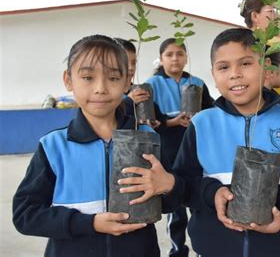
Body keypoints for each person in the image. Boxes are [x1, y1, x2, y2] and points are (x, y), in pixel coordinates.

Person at [133, 28, 280, 256]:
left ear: (266, 67)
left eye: (245, 64)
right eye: (224, 67)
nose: (235, 74)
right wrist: (209, 193)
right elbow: (185, 187)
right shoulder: (202, 125)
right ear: (213, 74)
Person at [12, 35, 173, 256]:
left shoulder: (146, 138)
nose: (100, 88)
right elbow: (25, 215)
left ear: (128, 81)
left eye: (113, 78)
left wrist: (168, 184)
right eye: (87, 77)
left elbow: (174, 199)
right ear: (68, 80)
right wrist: (90, 223)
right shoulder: (54, 147)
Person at [146, 38, 214, 257]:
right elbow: (151, 117)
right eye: (169, 54)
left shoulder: (197, 83)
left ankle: (204, 247)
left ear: (186, 57)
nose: (175, 58)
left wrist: (197, 118)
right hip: (169, 150)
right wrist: (171, 122)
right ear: (161, 58)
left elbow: (210, 111)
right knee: (175, 206)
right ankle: (177, 251)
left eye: (179, 54)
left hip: (196, 149)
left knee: (198, 199)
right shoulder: (151, 85)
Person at [114, 38, 167, 132]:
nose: (130, 68)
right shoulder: (106, 95)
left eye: (134, 63)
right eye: (125, 62)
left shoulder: (138, 92)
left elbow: (160, 121)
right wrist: (129, 102)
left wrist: (155, 123)